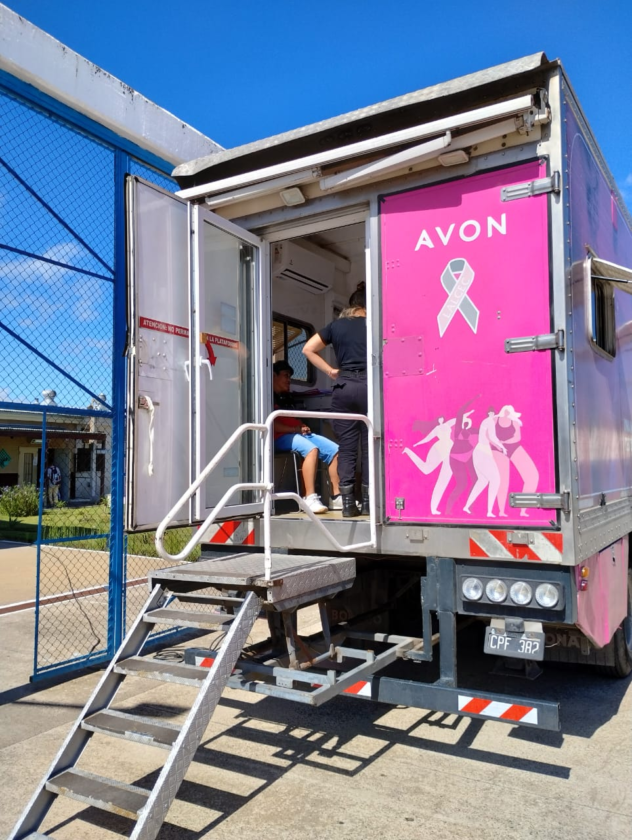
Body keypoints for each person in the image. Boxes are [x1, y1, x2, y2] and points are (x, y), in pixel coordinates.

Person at [303, 284, 368, 518]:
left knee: (347, 448)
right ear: (367, 306)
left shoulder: (336, 326)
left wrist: (331, 371)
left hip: (344, 388)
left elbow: (308, 349)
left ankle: (348, 503)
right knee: (370, 446)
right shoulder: (374, 324)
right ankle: (369, 502)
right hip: (369, 387)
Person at [272, 359, 341, 514]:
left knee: (335, 450)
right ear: (274, 376)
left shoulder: (287, 397)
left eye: (290, 377)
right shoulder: (267, 396)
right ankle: (309, 497)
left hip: (296, 433)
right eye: (285, 376)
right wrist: (294, 428)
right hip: (279, 437)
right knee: (311, 450)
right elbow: (272, 424)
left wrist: (301, 426)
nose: (289, 380)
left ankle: (336, 497)